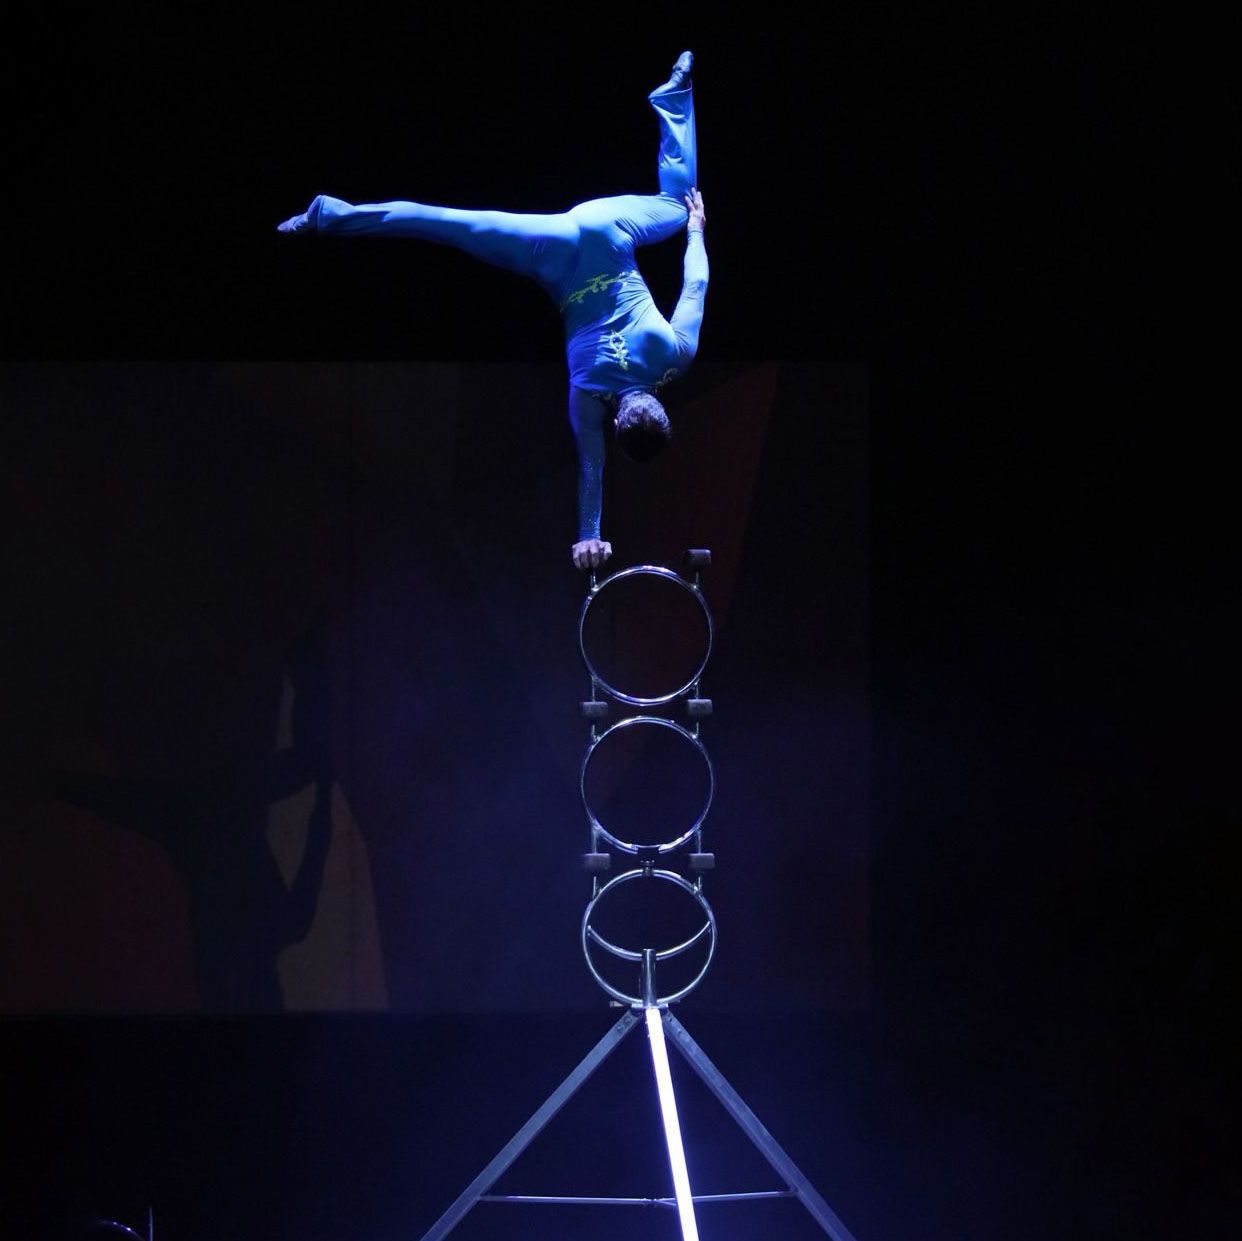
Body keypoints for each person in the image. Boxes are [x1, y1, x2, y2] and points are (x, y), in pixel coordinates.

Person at [276, 51, 709, 570]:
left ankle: (674, 97)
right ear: (618, 423)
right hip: (551, 255)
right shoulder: (588, 398)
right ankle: (328, 217)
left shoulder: (675, 357)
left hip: (606, 228)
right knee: (446, 225)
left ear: (661, 407)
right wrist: (588, 537)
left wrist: (695, 231)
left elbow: (696, 283)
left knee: (680, 201)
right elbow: (590, 469)